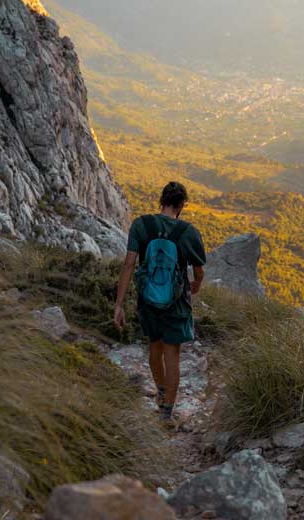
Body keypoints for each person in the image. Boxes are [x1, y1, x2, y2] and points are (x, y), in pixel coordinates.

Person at [114, 181, 206, 424]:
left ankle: (161, 391)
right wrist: (195, 285)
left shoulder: (141, 225)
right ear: (181, 205)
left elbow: (129, 264)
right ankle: (166, 412)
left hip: (148, 300)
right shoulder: (188, 232)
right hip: (176, 303)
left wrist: (119, 304)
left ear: (161, 201)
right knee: (172, 354)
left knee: (154, 347)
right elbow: (198, 271)